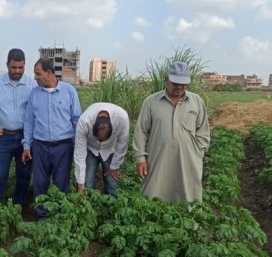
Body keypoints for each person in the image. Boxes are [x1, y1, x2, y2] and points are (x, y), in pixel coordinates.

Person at [132, 61, 210, 203]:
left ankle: (189, 224)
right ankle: (154, 223)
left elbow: (203, 131)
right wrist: (140, 159)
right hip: (158, 158)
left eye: (183, 84)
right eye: (175, 83)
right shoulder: (151, 102)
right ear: (166, 80)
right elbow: (141, 131)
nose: (179, 87)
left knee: (188, 196)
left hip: (188, 160)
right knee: (154, 193)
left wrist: (197, 153)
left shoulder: (196, 101)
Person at [22, 58, 82, 220]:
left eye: (38, 73)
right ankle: (42, 217)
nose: (35, 77)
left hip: (63, 146)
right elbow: (29, 121)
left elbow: (77, 120)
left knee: (61, 183)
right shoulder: (35, 93)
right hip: (40, 146)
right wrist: (27, 146)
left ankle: (59, 217)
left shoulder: (69, 91)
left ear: (49, 73)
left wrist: (78, 145)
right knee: (40, 183)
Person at [0, 48, 37, 217]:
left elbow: (37, 109)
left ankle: (18, 208)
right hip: (4, 136)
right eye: (14, 67)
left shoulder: (32, 84)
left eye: (21, 68)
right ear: (7, 65)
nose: (17, 71)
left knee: (24, 175)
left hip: (25, 138)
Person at [74, 102, 129, 196]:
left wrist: (115, 166)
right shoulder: (84, 121)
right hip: (91, 148)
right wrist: (80, 184)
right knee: (87, 183)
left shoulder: (122, 118)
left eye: (104, 140)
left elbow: (122, 144)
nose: (101, 142)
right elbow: (79, 153)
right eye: (98, 139)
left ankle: (113, 205)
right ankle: (89, 205)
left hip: (110, 149)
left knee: (112, 183)